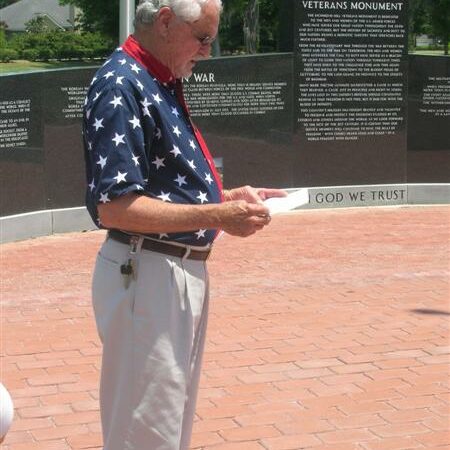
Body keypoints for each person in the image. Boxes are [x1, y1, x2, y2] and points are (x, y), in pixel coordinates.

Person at [82, 1, 286, 449]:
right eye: (203, 38)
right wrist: (217, 215)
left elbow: (162, 186)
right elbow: (116, 208)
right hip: (149, 273)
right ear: (166, 22)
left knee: (166, 429)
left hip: (165, 272)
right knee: (144, 435)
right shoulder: (122, 83)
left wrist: (227, 198)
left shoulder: (155, 78)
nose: (208, 52)